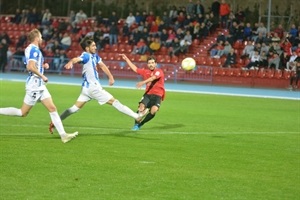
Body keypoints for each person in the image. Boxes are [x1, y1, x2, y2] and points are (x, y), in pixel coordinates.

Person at [49, 37, 148, 133]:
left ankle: (56, 121)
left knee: (74, 108)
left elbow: (102, 65)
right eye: (93, 46)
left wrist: (111, 77)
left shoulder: (95, 56)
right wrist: (71, 61)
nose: (95, 47)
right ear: (87, 48)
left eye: (95, 45)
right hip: (93, 88)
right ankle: (137, 117)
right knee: (115, 102)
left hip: (86, 90)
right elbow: (76, 59)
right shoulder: (86, 55)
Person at [0, 29, 78, 143]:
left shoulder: (29, 49)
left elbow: (32, 64)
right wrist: (42, 75)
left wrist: (42, 65)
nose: (42, 39)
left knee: (52, 108)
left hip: (39, 84)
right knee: (23, 112)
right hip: (35, 84)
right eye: (40, 37)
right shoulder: (34, 50)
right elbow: (30, 67)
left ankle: (63, 135)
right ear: (36, 38)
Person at [119, 54, 165, 131]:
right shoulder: (145, 72)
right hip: (148, 94)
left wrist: (143, 82)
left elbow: (153, 78)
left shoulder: (159, 71)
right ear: (147, 64)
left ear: (156, 64)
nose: (151, 64)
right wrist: (126, 59)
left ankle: (141, 124)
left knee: (153, 111)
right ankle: (136, 124)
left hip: (158, 95)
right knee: (141, 108)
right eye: (149, 63)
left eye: (153, 63)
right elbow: (135, 69)